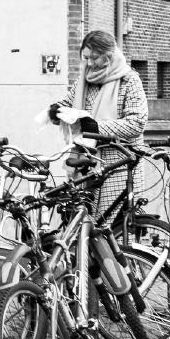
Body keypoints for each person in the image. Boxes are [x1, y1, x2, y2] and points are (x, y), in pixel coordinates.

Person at [49, 29, 148, 220]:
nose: (90, 63)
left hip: (119, 165)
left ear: (109, 56)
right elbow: (69, 103)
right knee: (82, 225)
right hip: (87, 165)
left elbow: (137, 123)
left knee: (114, 227)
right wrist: (56, 111)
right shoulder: (85, 78)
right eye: (85, 58)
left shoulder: (129, 80)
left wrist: (96, 128)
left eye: (95, 58)